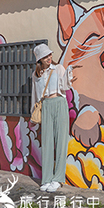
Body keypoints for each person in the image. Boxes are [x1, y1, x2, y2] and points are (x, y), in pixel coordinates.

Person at [31, 43, 72, 192]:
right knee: (47, 143)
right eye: (45, 56)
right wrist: (33, 113)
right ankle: (47, 178)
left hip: (60, 103)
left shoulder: (58, 68)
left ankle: (58, 178)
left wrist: (69, 74)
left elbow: (66, 87)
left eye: (49, 55)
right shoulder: (36, 75)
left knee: (61, 141)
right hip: (46, 105)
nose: (49, 58)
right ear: (39, 59)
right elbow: (35, 95)